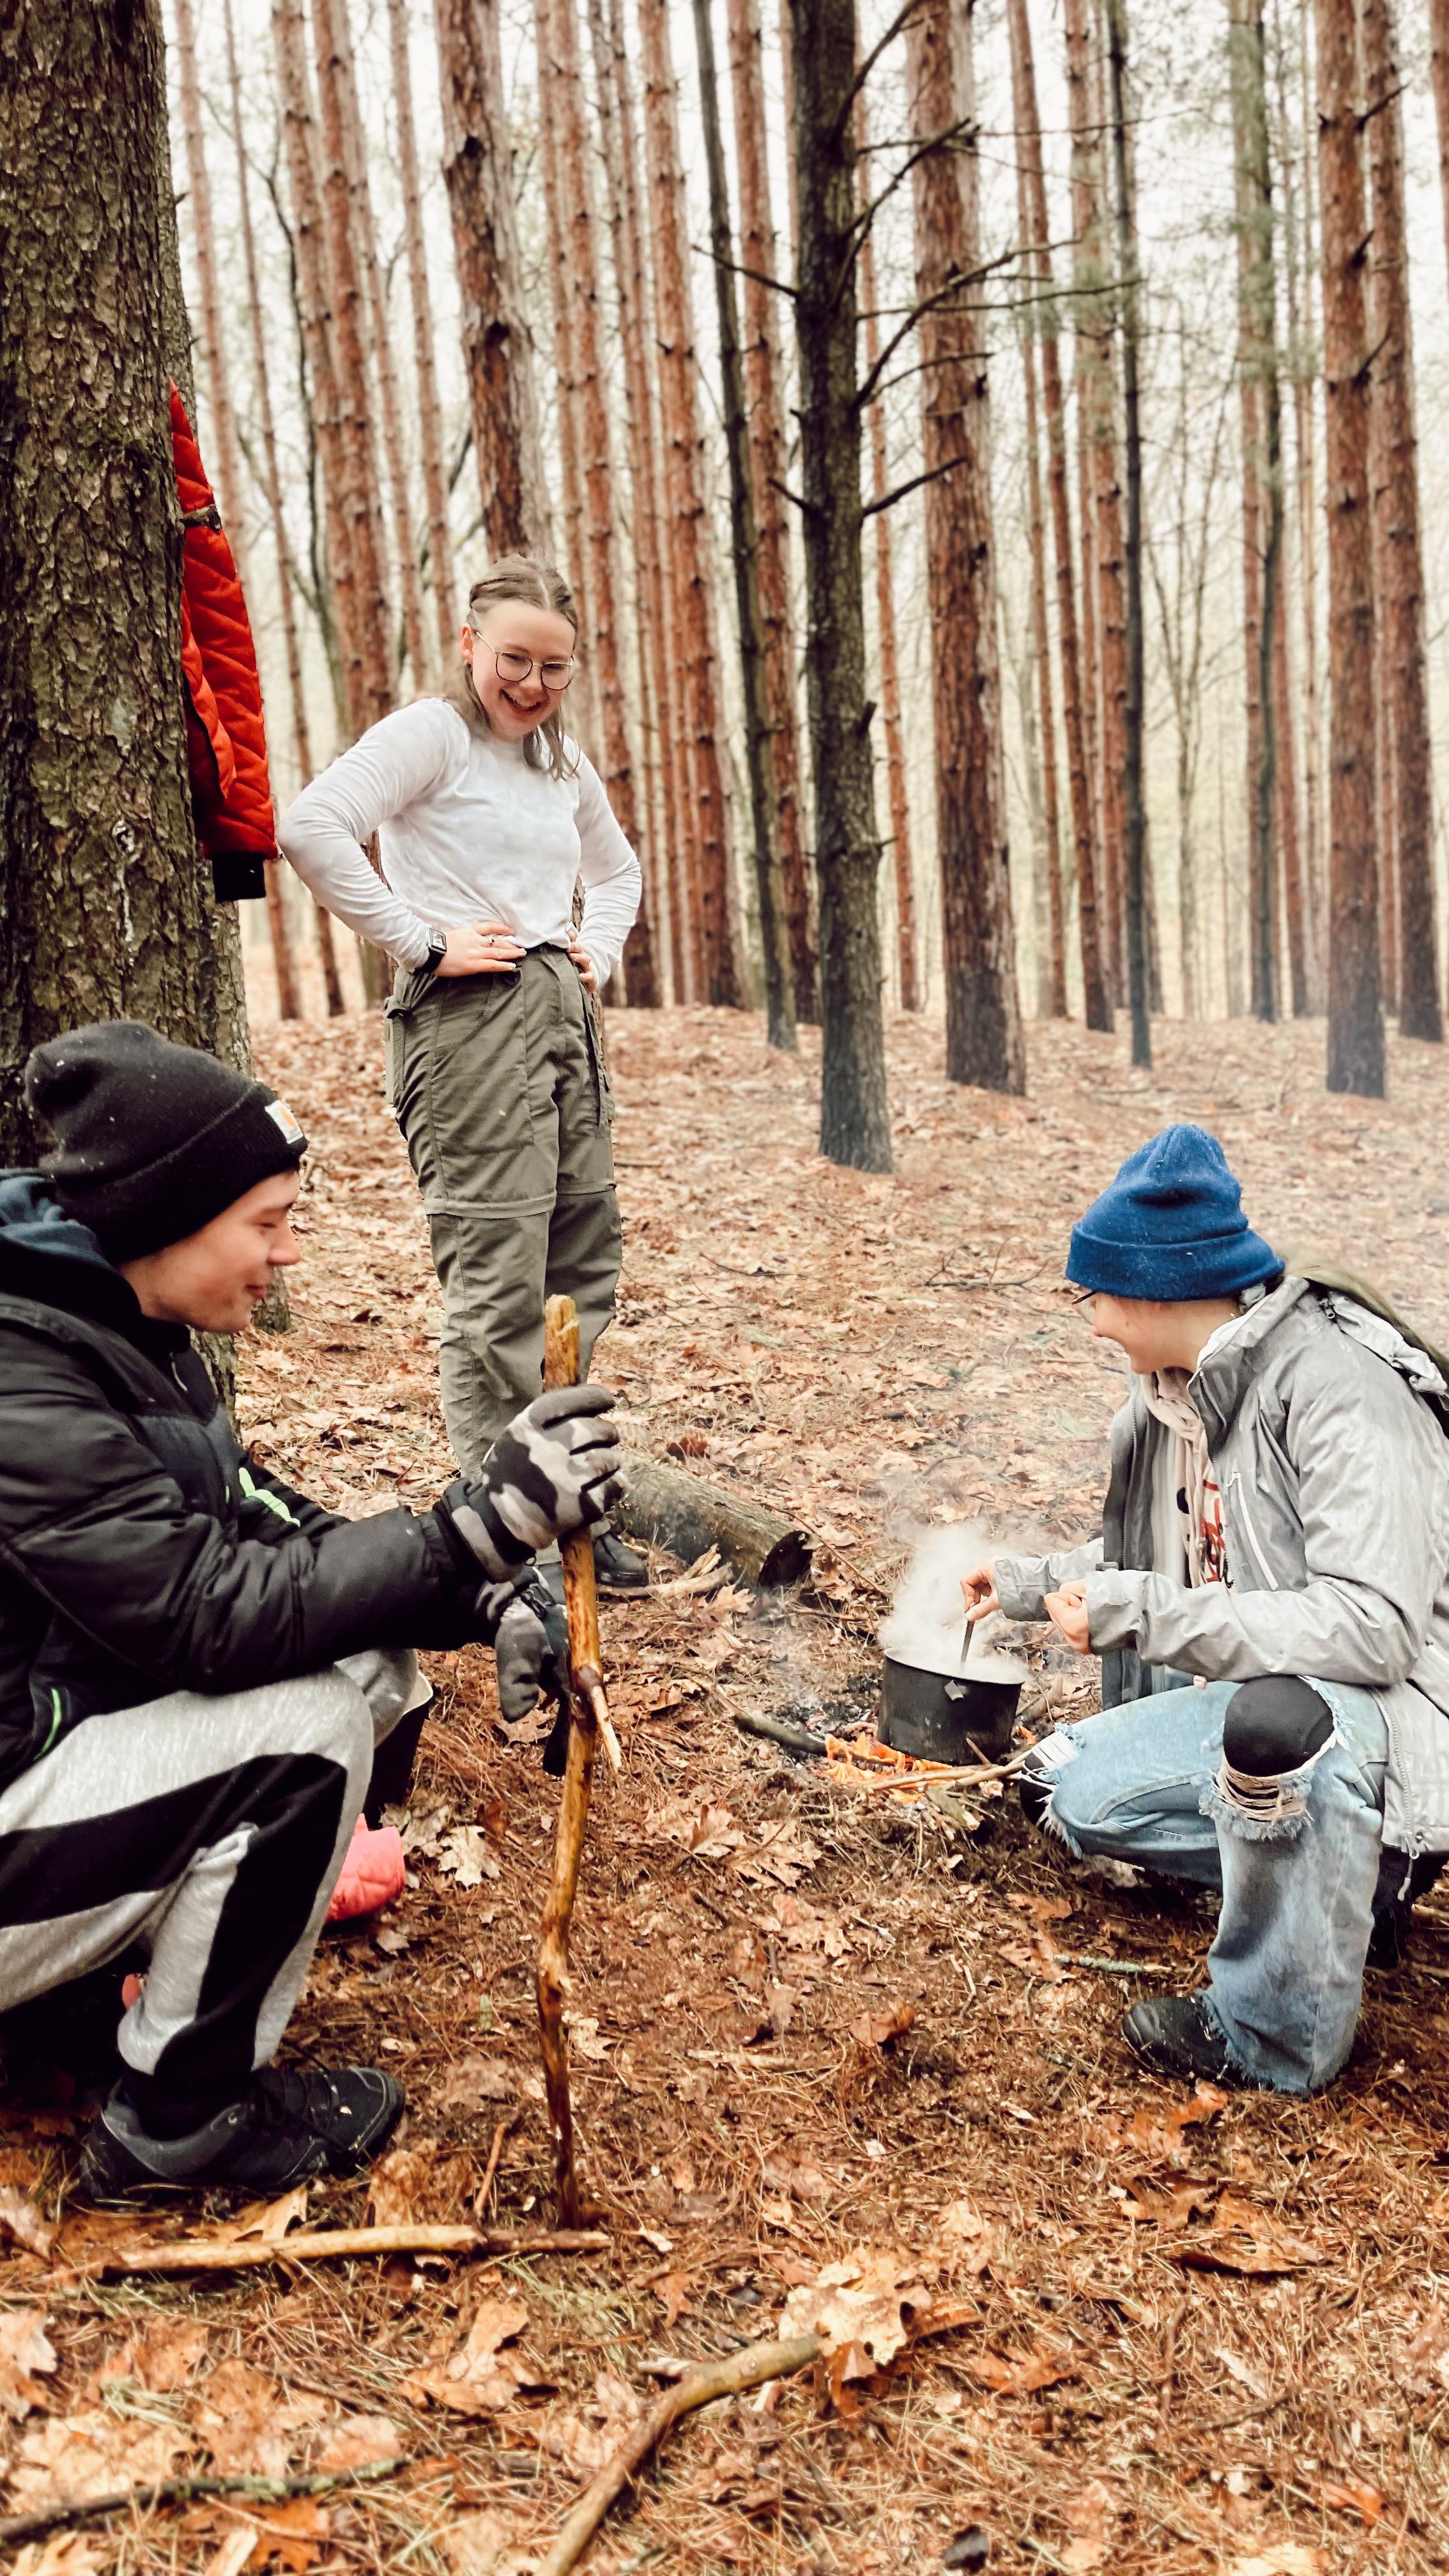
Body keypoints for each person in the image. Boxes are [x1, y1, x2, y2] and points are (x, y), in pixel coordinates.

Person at [0, 1021, 622, 2200]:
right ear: (161, 1218)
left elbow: (260, 1522)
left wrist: (476, 1585)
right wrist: (467, 1529)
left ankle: (91, 2001)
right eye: (266, 1221)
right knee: (306, 1731)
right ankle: (176, 2125)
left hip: (25, 1761)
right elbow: (202, 1611)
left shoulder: (114, 1322)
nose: (288, 1255)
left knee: (370, 1658)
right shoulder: (21, 1374)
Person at [962, 1123, 1449, 2097]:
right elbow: (1182, 1552)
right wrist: (1028, 1583)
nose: (1091, 1317)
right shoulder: (1185, 1392)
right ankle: (1329, 1882)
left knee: (1280, 1729)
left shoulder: (1341, 1389)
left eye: (1092, 1293)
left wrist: (1144, 1614)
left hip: (1401, 1720)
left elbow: (1375, 1629)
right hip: (1305, 1696)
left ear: (1152, 1287)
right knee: (1064, 1790)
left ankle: (1275, 2034)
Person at [278, 555, 647, 1594]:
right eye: (515, 660)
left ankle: (566, 1501)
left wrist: (595, 952)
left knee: (581, 1265)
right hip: (468, 1023)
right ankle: (502, 1537)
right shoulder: (430, 734)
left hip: (559, 1017)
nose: (532, 685)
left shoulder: (561, 762)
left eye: (556, 669)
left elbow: (615, 870)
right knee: (496, 1284)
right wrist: (423, 941)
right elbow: (310, 827)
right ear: (470, 645)